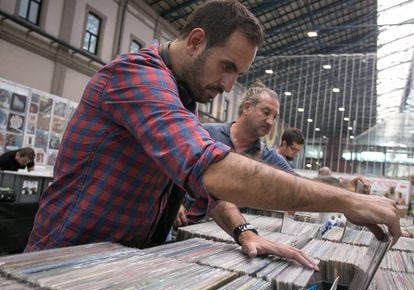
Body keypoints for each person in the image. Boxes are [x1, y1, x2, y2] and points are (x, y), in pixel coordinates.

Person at [25, 0, 400, 267]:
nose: (227, 85)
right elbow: (213, 170)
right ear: (195, 41)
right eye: (226, 66)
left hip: (120, 262)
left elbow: (207, 192)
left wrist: (244, 233)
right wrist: (345, 201)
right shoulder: (138, 77)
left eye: (237, 73)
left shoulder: (181, 97)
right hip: (62, 263)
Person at [175, 80, 294, 227]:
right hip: (180, 223)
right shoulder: (206, 132)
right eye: (266, 112)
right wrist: (174, 203)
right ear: (247, 107)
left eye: (274, 117)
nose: (270, 121)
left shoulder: (267, 156)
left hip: (225, 232)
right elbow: (174, 166)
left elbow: (294, 183)